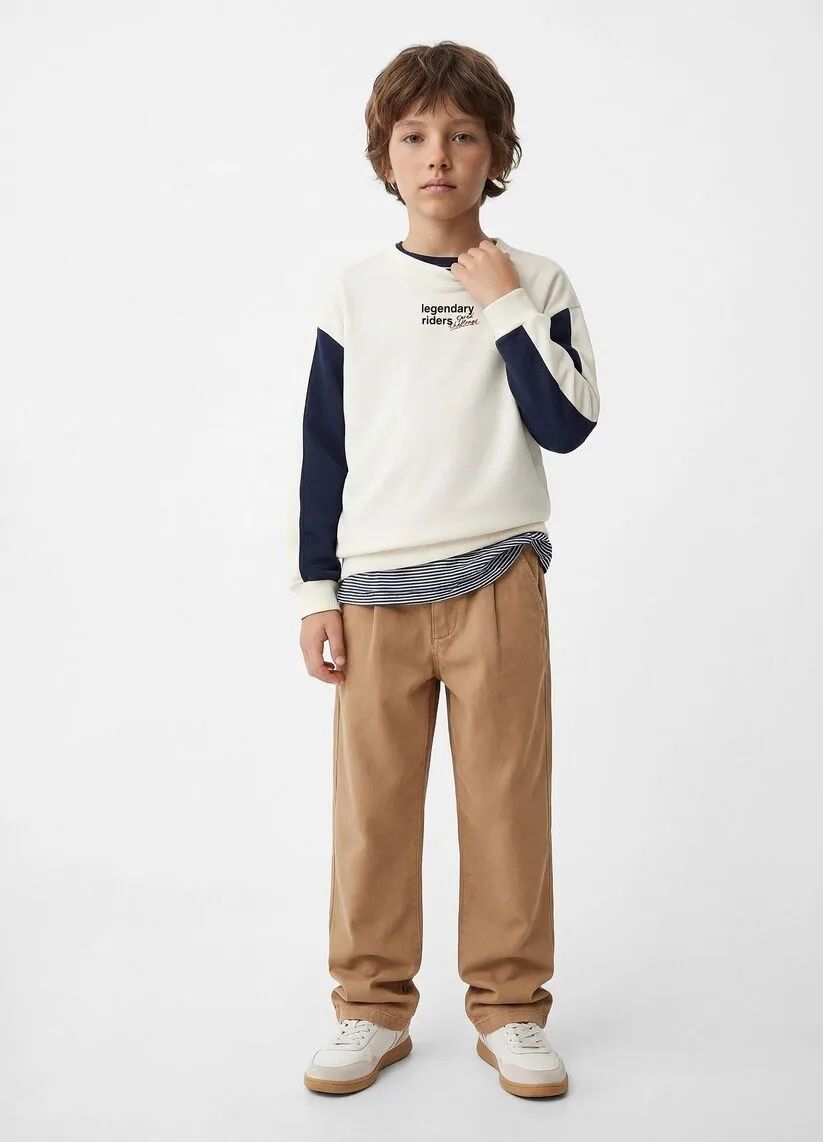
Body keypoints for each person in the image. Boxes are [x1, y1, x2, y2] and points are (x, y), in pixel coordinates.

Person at [290, 40, 600, 1098]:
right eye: (415, 135)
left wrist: (502, 301)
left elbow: (567, 426)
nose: (438, 156)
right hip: (375, 596)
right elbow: (323, 451)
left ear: (495, 154)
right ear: (386, 155)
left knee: (506, 803)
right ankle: (371, 1007)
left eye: (463, 136)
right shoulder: (354, 292)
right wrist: (316, 592)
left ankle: (511, 1010)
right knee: (373, 812)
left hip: (499, 579)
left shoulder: (539, 281)